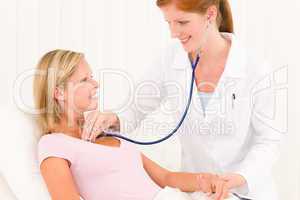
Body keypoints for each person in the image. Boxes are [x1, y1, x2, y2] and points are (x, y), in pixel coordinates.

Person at [90, 0, 283, 199]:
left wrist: (240, 177)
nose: (174, 33)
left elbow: (268, 141)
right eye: (169, 23)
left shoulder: (255, 67)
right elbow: (136, 107)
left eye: (182, 23)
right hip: (199, 191)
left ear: (210, 15)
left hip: (247, 193)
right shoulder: (170, 58)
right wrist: (113, 118)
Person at [34, 49, 228, 200]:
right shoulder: (53, 144)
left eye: (92, 76)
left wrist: (205, 180)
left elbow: (166, 178)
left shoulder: (104, 133)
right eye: (85, 79)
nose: (96, 84)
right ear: (59, 92)